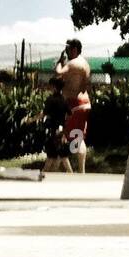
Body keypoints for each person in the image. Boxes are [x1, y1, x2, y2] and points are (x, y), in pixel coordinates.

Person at [54, 38, 91, 173]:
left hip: (74, 104)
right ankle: (79, 171)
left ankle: (61, 168)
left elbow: (58, 73)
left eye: (68, 48)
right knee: (78, 137)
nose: (67, 51)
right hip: (85, 103)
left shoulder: (73, 63)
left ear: (74, 49)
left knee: (67, 137)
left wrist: (59, 62)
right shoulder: (85, 63)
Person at [40, 76, 70, 175]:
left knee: (52, 155)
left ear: (54, 87)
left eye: (51, 86)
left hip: (52, 129)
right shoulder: (64, 100)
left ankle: (44, 173)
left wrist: (30, 119)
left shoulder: (50, 100)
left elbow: (43, 114)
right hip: (61, 130)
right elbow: (69, 114)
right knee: (62, 155)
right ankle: (71, 173)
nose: (49, 88)